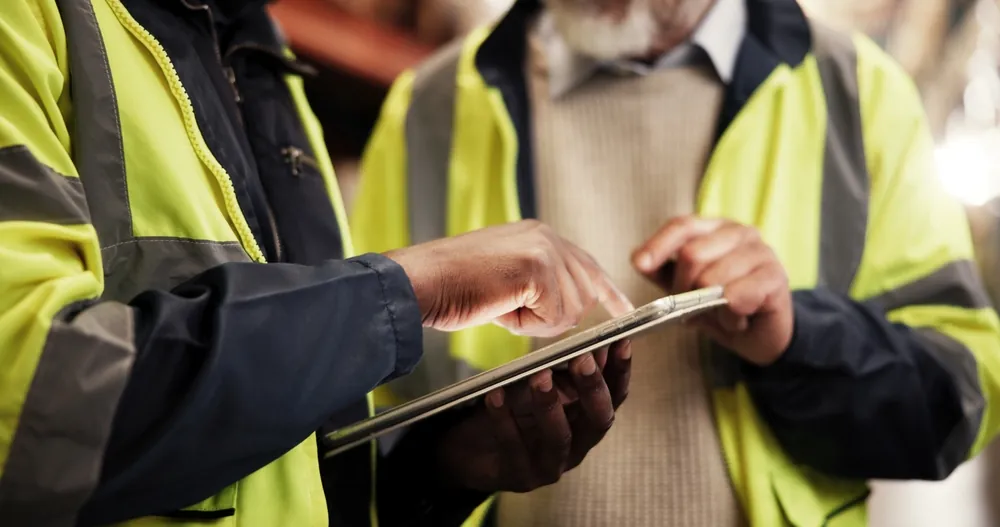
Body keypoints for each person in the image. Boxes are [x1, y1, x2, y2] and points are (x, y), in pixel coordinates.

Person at [351, 0, 1000, 525]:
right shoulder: (425, 111)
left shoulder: (858, 92)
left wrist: (797, 338)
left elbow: (961, 398)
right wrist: (454, 463)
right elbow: (352, 442)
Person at [0, 1, 637, 526]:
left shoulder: (257, 55)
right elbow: (30, 414)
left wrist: (439, 470)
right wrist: (405, 291)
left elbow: (283, 468)